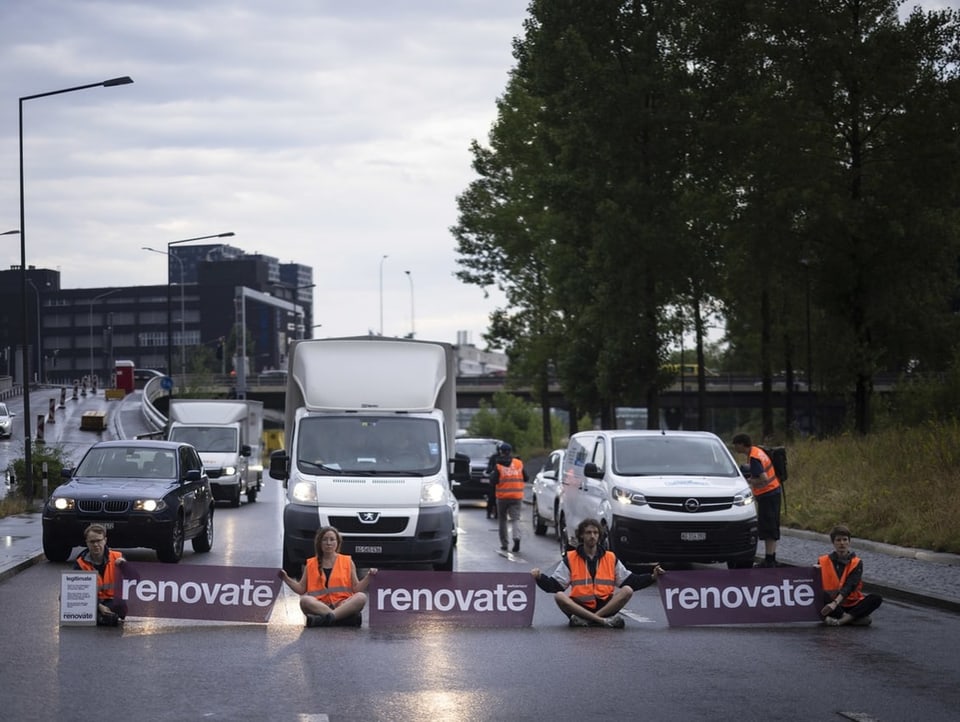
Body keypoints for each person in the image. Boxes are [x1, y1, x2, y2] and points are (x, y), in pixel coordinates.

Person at [531, 517, 665, 628]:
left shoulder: (610, 558)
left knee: (627, 590)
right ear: (581, 535)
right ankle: (602, 621)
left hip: (605, 606)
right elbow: (555, 586)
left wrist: (652, 576)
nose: (592, 536)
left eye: (595, 533)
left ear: (599, 536)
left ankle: (592, 619)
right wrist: (539, 577)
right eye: (588, 533)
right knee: (559, 596)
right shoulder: (571, 558)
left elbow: (630, 581)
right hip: (580, 607)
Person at [278, 526, 378, 628]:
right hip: (319, 605)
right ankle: (342, 618)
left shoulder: (347, 561)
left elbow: (356, 589)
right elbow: (301, 589)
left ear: (337, 542)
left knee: (361, 597)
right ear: (319, 543)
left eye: (332, 539)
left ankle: (326, 619)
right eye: (325, 540)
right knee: (305, 600)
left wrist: (369, 577)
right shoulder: (311, 563)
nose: (328, 543)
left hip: (343, 604)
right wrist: (286, 578)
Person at [816, 524, 883, 627]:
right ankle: (851, 619)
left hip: (851, 604)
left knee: (876, 598)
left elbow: (850, 586)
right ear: (833, 542)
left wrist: (835, 603)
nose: (842, 543)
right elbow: (815, 584)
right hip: (831, 604)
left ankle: (841, 621)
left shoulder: (857, 562)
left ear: (849, 541)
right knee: (818, 594)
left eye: (845, 539)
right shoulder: (822, 561)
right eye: (838, 540)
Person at [732, 433, 783, 567]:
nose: (735, 448)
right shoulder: (757, 451)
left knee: (768, 528)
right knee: (771, 527)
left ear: (741, 444)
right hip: (773, 492)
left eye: (735, 445)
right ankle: (770, 558)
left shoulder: (754, 458)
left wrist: (748, 481)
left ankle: (770, 560)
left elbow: (763, 478)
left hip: (768, 494)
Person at [73, 523, 127, 626]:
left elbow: (135, 579)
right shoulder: (80, 563)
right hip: (91, 602)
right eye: (92, 542)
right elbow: (77, 591)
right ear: (87, 543)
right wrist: (98, 606)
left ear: (105, 540)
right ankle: (106, 618)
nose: (96, 545)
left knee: (120, 608)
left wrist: (126, 566)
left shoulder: (118, 556)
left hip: (112, 601)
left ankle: (103, 618)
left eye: (99, 541)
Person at [488, 442, 527, 552]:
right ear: (510, 451)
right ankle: (516, 538)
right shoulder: (519, 463)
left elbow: (493, 481)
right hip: (517, 496)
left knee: (502, 520)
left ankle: (504, 544)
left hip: (502, 497)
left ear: (500, 452)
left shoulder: (498, 465)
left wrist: (492, 475)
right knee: (515, 519)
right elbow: (526, 478)